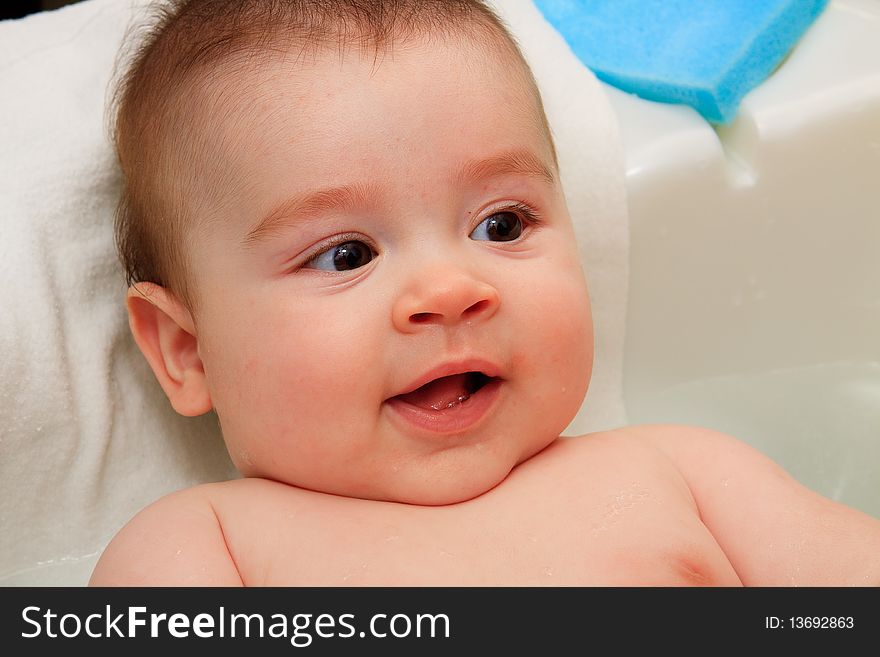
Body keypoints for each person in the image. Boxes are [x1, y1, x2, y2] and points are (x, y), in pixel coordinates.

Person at [89, 0, 880, 586]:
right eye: (345, 254)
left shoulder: (687, 475)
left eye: (501, 224)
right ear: (188, 352)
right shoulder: (206, 548)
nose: (449, 290)